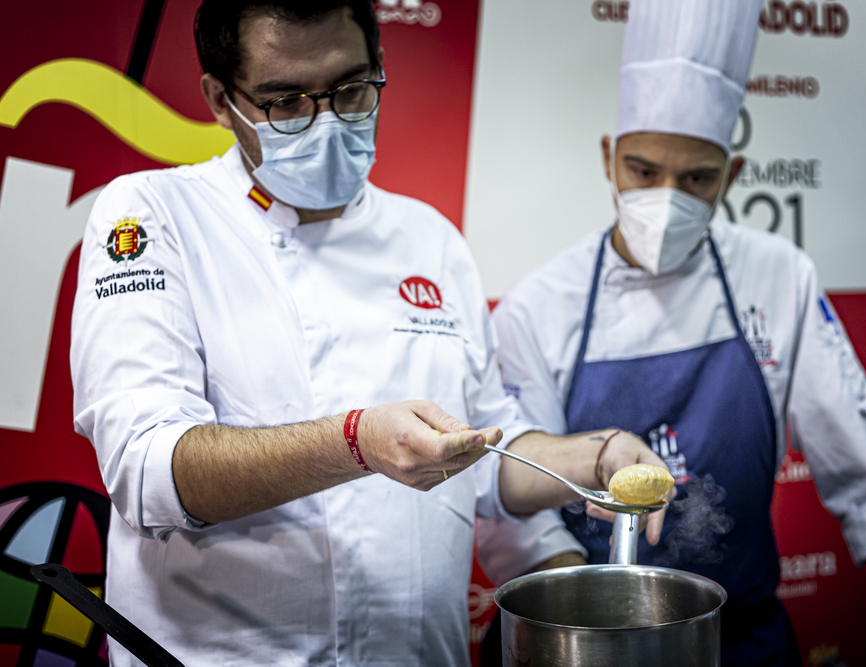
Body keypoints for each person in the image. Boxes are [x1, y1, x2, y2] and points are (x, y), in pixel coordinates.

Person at [69, 2, 668, 665]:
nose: (325, 121)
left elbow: (487, 448)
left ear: (380, 69)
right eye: (285, 102)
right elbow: (149, 468)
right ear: (219, 99)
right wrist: (355, 442)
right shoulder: (155, 216)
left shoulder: (429, 238)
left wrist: (595, 456)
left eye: (351, 89)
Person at [478, 0, 866, 664]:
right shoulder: (538, 306)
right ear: (610, 158)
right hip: (585, 646)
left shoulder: (779, 276)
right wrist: (596, 618)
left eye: (697, 178)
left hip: (742, 643)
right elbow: (511, 502)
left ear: (731, 175)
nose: (666, 197)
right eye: (643, 171)